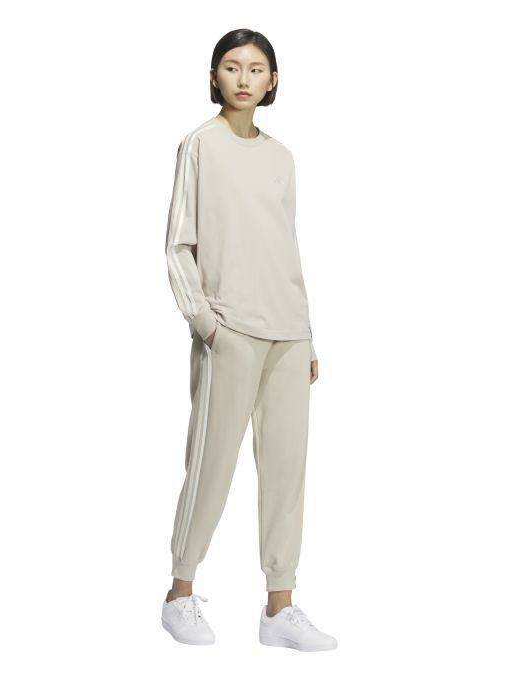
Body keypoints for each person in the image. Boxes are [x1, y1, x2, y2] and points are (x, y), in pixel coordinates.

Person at [160, 28, 337, 652]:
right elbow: (178, 243)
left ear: (273, 81)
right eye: (232, 67)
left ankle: (279, 607)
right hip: (229, 329)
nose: (243, 77)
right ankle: (179, 593)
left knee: (287, 472)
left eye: (256, 68)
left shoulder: (282, 158)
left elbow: (284, 247)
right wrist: (205, 323)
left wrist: (306, 334)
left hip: (287, 332)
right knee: (210, 464)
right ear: (215, 77)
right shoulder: (199, 145)